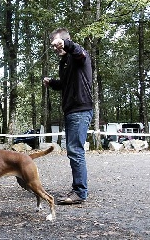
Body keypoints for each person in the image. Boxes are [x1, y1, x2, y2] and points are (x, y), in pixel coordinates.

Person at [43, 28, 93, 204]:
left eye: (57, 44)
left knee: (75, 150)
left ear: (65, 41)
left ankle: (80, 192)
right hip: (71, 111)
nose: (55, 48)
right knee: (73, 150)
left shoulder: (77, 55)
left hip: (81, 109)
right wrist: (52, 83)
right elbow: (65, 84)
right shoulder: (64, 62)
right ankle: (79, 189)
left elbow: (79, 53)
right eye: (54, 46)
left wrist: (66, 44)